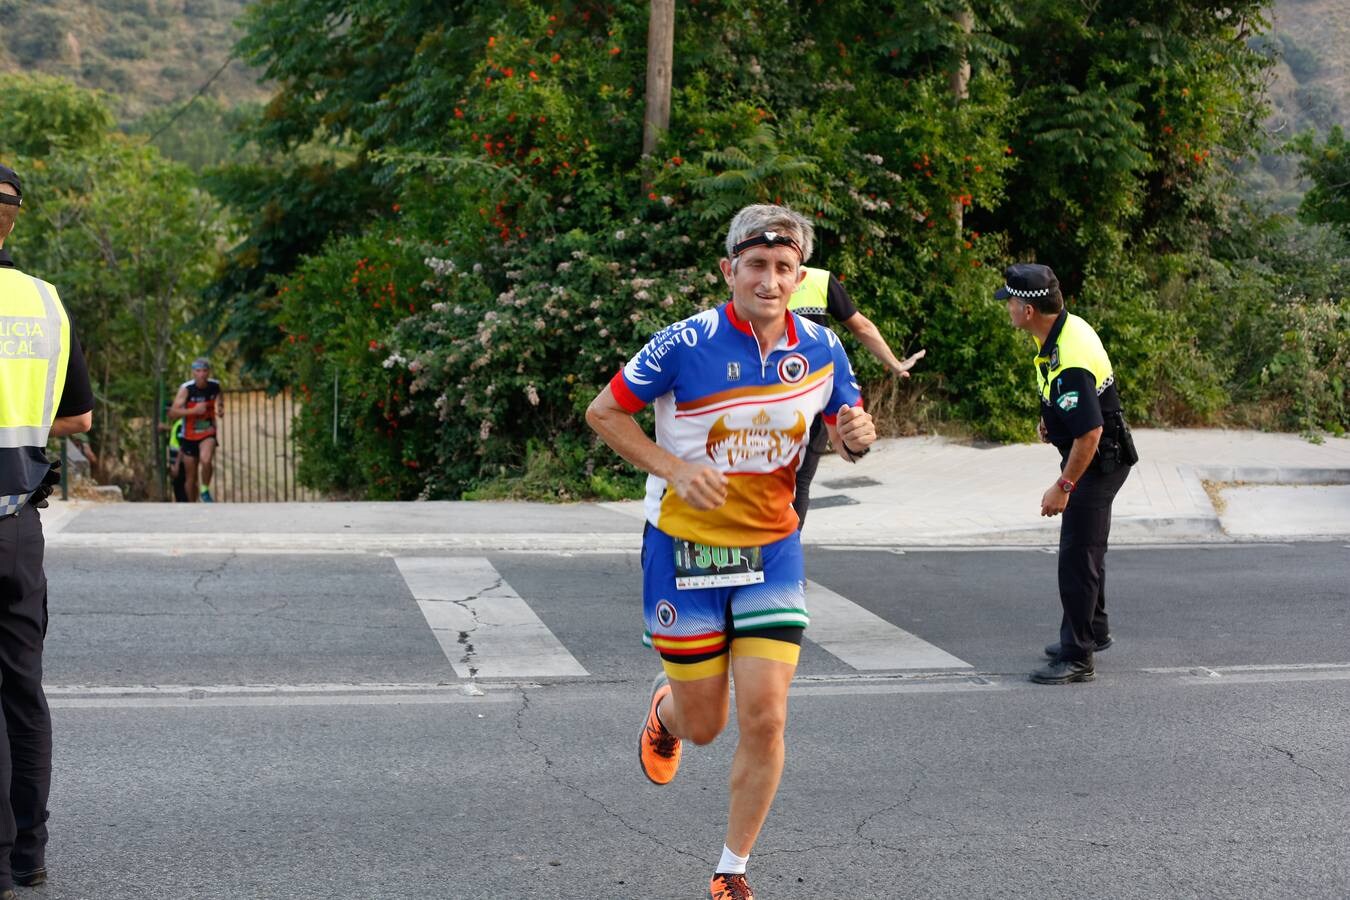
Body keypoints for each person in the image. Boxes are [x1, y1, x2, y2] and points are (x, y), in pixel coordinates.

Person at [587, 204, 878, 900]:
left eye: (783, 269)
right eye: (756, 266)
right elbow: (604, 412)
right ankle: (665, 715)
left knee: (767, 714)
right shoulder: (684, 343)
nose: (770, 281)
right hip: (684, 554)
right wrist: (675, 469)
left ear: (799, 275)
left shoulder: (823, 348)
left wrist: (857, 436)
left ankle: (732, 870)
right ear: (730, 270)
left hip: (773, 551)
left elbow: (845, 427)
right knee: (707, 724)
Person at [0, 163, 95, 897]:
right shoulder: (44, 302)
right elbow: (81, 419)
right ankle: (27, 854)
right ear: (15, 217)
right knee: (22, 691)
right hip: (16, 523)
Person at [999, 263, 1137, 685]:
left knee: (1077, 559)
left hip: (1096, 463)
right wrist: (1053, 422)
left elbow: (1091, 431)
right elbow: (1078, 405)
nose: (1006, 308)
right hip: (1099, 456)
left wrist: (1063, 486)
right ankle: (1094, 630)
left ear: (1026, 310)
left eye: (1009, 302)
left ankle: (1078, 656)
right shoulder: (1065, 328)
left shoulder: (1069, 354)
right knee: (1089, 553)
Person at [787, 267, 926, 527]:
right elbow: (861, 326)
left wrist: (895, 364)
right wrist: (895, 364)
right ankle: (785, 557)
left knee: (780, 480)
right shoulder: (818, 280)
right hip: (813, 396)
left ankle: (779, 558)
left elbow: (861, 327)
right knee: (799, 481)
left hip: (792, 397)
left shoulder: (751, 275)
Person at [169, 358, 223, 502]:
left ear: (209, 372)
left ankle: (205, 490)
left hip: (207, 432)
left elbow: (219, 399)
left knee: (206, 460)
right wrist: (193, 411)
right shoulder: (186, 389)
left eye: (205, 371)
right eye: (198, 371)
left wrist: (220, 409)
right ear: (193, 372)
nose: (202, 374)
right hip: (189, 435)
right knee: (191, 478)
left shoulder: (215, 386)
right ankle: (192, 506)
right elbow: (173, 413)